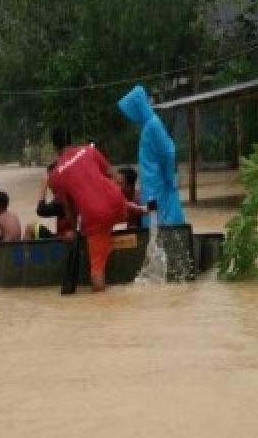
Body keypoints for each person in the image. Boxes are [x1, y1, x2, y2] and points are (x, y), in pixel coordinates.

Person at [46, 126, 146, 292]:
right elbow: (112, 175)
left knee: (97, 271)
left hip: (95, 217)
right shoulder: (89, 150)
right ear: (71, 140)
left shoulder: (55, 176)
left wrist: (76, 232)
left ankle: (101, 310)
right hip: (117, 202)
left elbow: (69, 209)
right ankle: (143, 211)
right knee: (121, 214)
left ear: (55, 147)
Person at [118, 84, 186, 227]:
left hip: (158, 183)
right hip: (151, 183)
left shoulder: (153, 125)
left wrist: (168, 178)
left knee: (161, 221)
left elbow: (168, 152)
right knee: (152, 220)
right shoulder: (148, 126)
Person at [23, 162, 74, 240]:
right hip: (64, 236)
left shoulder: (62, 198)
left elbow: (41, 210)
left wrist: (43, 187)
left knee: (30, 228)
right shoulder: (69, 192)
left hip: (63, 240)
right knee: (32, 226)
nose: (49, 184)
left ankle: (25, 252)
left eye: (50, 180)